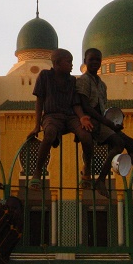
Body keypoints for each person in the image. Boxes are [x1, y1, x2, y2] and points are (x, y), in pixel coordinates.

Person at [76, 48, 133, 197]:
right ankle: (101, 180)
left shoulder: (102, 85)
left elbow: (102, 109)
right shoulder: (83, 81)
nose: (94, 62)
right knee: (118, 144)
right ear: (85, 62)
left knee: (132, 143)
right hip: (90, 122)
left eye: (97, 59)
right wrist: (107, 123)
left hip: (102, 122)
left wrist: (113, 123)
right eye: (91, 59)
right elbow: (86, 107)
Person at [26, 48, 94, 191]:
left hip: (70, 117)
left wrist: (82, 118)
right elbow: (39, 100)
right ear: (57, 63)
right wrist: (36, 126)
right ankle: (37, 172)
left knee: (86, 136)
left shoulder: (72, 80)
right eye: (68, 62)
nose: (71, 65)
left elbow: (75, 104)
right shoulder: (45, 76)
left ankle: (87, 169)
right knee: (49, 133)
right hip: (52, 116)